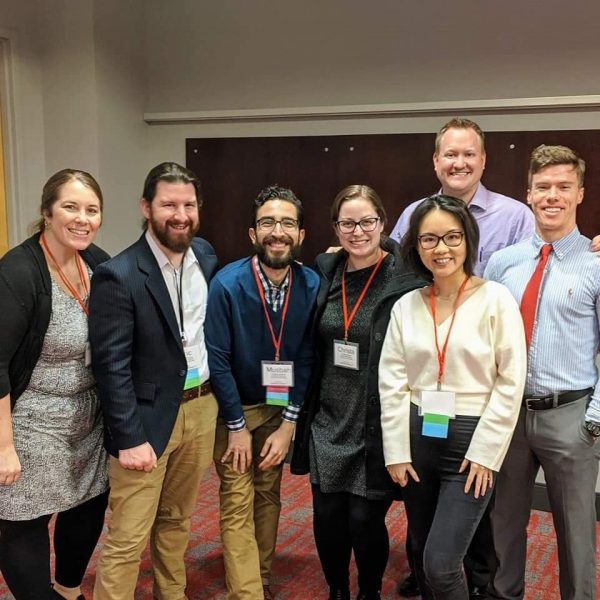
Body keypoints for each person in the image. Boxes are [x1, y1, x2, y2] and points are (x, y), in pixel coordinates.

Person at [389, 117, 533, 599]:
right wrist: (396, 448)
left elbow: (510, 380)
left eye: (452, 237)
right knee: (426, 550)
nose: (440, 247)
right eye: (430, 239)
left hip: (472, 437)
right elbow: (392, 382)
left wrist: (487, 452)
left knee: (448, 557)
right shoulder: (408, 304)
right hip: (419, 434)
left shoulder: (496, 297)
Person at [88, 162, 219, 600]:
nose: (179, 214)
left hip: (201, 409)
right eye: (168, 204)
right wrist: (127, 437)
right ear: (147, 207)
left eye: (188, 204)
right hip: (145, 421)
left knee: (178, 520)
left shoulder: (207, 255)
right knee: (127, 538)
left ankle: (172, 594)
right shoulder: (119, 274)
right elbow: (111, 366)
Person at [291, 185, 424, 600]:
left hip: (375, 424)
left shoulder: (405, 277)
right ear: (335, 227)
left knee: (365, 521)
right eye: (347, 223)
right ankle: (337, 590)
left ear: (383, 224)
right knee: (328, 518)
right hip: (328, 420)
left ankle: (368, 592)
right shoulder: (327, 269)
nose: (358, 231)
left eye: (367, 221)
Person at [485, 145, 600, 600]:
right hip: (509, 416)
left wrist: (595, 419)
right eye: (543, 187)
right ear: (528, 194)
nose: (553, 195)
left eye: (563, 187)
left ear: (580, 194)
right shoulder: (502, 264)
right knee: (504, 524)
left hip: (570, 417)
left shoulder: (595, 266)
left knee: (575, 533)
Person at [0, 169, 110, 600]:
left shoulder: (96, 262)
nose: (82, 218)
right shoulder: (18, 271)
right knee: (21, 519)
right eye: (70, 207)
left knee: (88, 505)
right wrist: (3, 445)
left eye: (92, 209)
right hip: (29, 421)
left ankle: (67, 590)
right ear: (47, 212)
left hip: (87, 421)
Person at [205, 185, 319, 600]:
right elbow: (217, 359)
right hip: (235, 411)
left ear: (301, 234)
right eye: (268, 222)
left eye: (287, 222)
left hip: (279, 410)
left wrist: (289, 423)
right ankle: (248, 594)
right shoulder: (228, 284)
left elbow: (307, 357)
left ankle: (262, 580)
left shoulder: (310, 283)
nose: (278, 231)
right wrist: (235, 426)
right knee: (237, 500)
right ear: (253, 233)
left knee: (268, 496)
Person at [390, 117, 534, 277]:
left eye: (469, 154)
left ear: (483, 160)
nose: (459, 164)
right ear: (436, 161)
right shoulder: (412, 215)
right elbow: (395, 275)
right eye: (451, 155)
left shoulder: (516, 218)